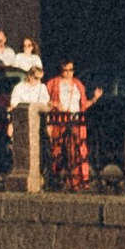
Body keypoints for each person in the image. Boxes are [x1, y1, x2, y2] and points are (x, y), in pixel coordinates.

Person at [44, 53, 98, 192]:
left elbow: (83, 104)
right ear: (60, 70)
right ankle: (56, 180)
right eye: (65, 70)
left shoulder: (78, 84)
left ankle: (76, 182)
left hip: (76, 121)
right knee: (58, 150)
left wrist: (94, 99)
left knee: (76, 151)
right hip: (60, 121)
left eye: (71, 70)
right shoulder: (53, 83)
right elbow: (44, 100)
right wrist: (54, 104)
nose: (68, 73)